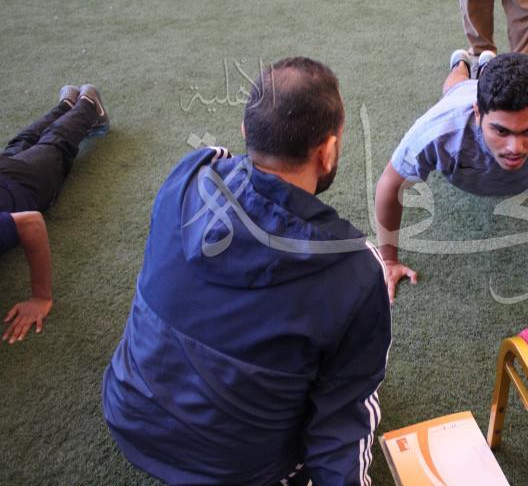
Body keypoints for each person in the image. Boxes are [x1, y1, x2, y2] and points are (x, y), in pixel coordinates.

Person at [102, 57, 391, 486]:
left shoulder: (189, 174)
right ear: (327, 151)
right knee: (353, 385)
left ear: (244, 131)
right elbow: (341, 429)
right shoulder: (355, 270)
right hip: (235, 472)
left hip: (126, 415)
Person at [375, 52, 528, 303]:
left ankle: (487, 64)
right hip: (461, 98)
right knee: (457, 87)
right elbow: (390, 184)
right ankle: (461, 62)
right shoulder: (439, 129)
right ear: (478, 113)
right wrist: (388, 260)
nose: (515, 147)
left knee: (477, 84)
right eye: (501, 130)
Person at [1, 84, 109, 344]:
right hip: (7, 174)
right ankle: (67, 105)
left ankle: (89, 104)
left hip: (25, 182)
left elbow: (31, 223)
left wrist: (41, 297)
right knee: (25, 141)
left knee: (56, 142)